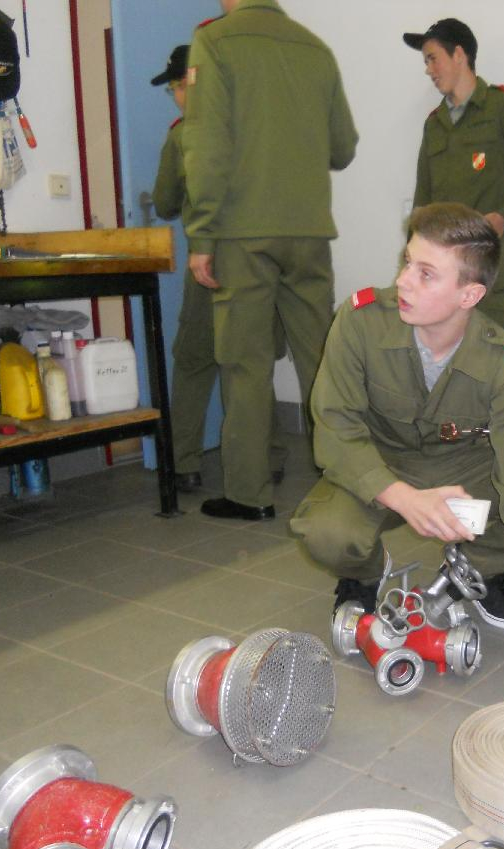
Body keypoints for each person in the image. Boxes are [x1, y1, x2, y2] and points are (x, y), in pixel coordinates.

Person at [291, 202, 504, 692]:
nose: (403, 281)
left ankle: (479, 570)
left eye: (425, 274)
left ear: (470, 294)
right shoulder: (361, 321)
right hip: (381, 465)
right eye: (408, 263)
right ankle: (364, 573)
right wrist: (405, 498)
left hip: (467, 474)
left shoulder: (500, 360)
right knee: (328, 533)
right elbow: (335, 427)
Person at [183, 0, 358, 520]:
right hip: (309, 231)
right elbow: (343, 147)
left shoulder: (215, 42)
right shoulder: (315, 48)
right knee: (323, 362)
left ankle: (248, 493)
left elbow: (206, 146)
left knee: (245, 365)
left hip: (244, 233)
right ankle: (351, 486)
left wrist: (202, 234)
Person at [150, 43, 288, 494]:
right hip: (262, 263)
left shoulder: (183, 136)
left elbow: (165, 203)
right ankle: (268, 458)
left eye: (176, 86)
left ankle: (184, 462)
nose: (176, 97)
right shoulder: (254, 127)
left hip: (209, 265)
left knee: (194, 362)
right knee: (251, 362)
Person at [403, 18, 504, 334]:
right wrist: (414, 262)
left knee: (495, 356)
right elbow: (422, 200)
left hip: (485, 269)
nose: (428, 70)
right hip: (440, 276)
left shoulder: (500, 107)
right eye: (426, 61)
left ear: (459, 55)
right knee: (439, 359)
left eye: (433, 59)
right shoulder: (434, 125)